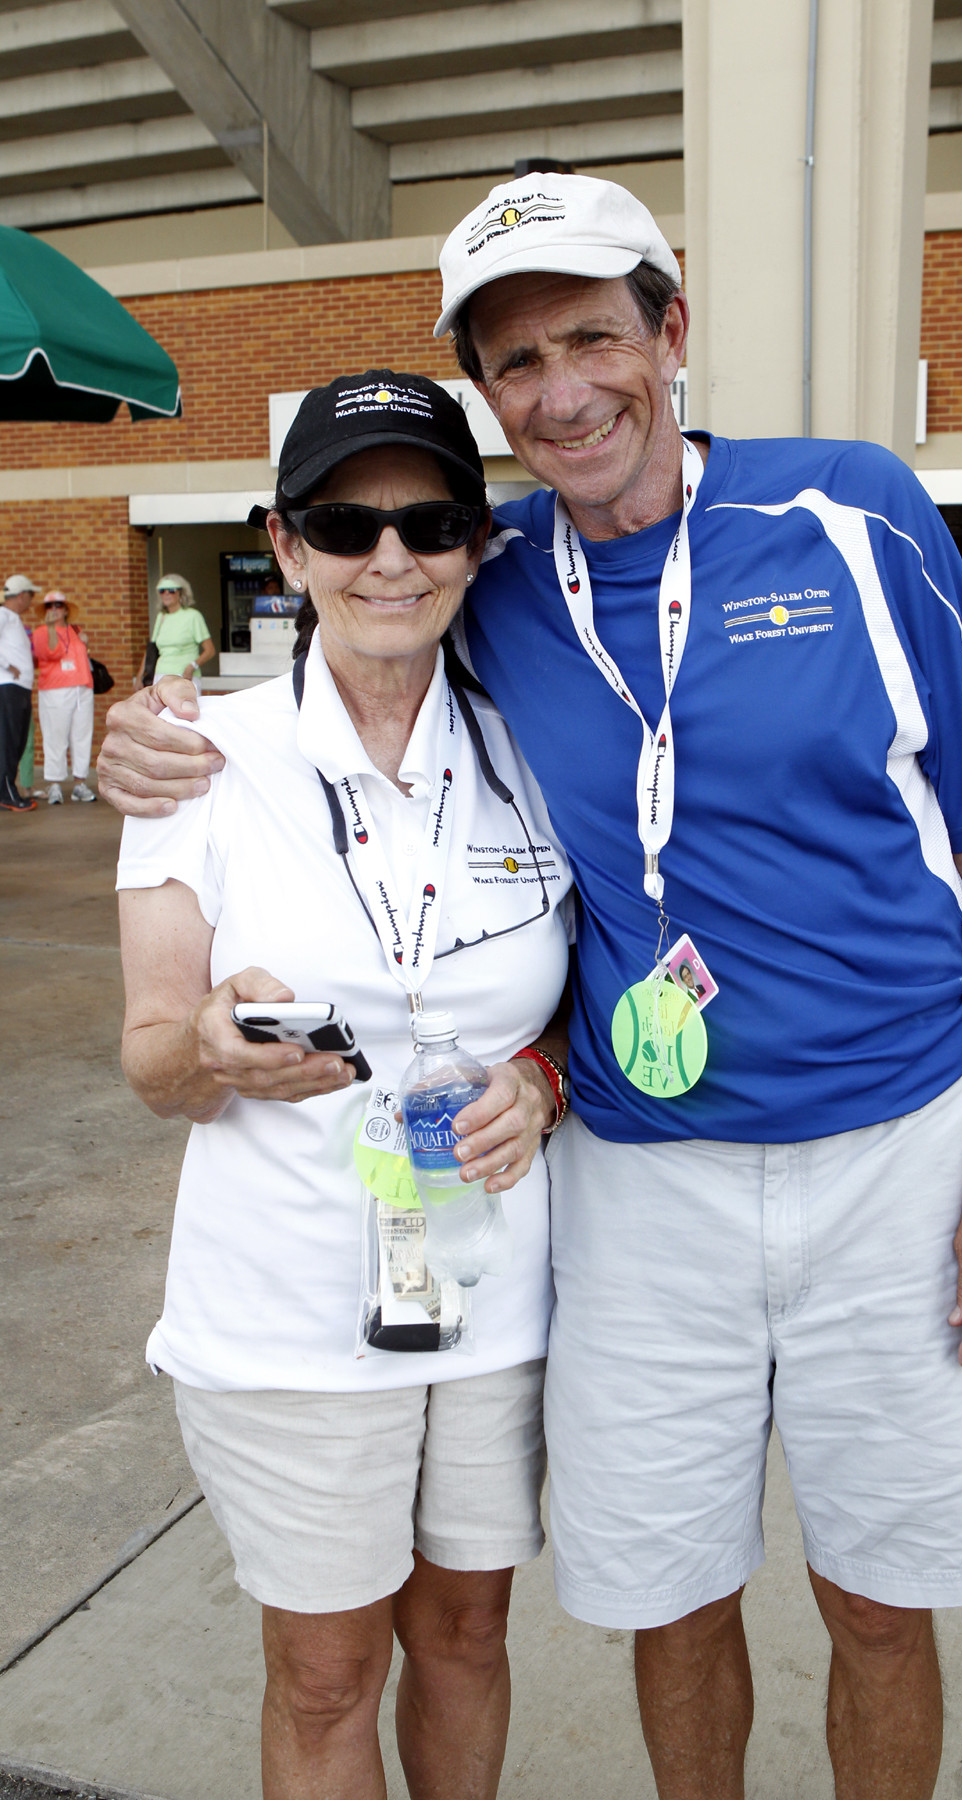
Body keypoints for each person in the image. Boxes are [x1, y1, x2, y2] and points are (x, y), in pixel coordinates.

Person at [98, 176, 962, 1800]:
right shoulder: (498, 575)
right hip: (639, 1183)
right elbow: (357, 635)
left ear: (671, 332)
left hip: (897, 1151)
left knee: (880, 1603)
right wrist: (153, 732)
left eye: (593, 337)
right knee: (667, 1600)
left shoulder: (852, 511)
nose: (562, 392)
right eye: (518, 361)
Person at [116, 372, 573, 1800]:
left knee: (466, 1633)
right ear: (288, 542)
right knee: (325, 1673)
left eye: (431, 520)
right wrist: (205, 1047)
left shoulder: (538, 753)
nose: (392, 557)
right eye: (347, 521)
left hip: (497, 1294)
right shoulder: (199, 758)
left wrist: (546, 1085)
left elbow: (601, 998)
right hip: (289, 1312)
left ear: (478, 545)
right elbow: (146, 1057)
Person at [31, 591, 96, 803]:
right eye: (50, 606)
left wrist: (84, 643)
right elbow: (51, 653)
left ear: (66, 609)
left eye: (58, 605)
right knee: (55, 737)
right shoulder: (41, 632)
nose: (54, 609)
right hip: (55, 690)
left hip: (81, 688)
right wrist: (51, 628)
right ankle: (55, 784)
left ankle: (80, 782)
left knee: (82, 735)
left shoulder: (76, 631)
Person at [133, 573, 215, 691]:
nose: (166, 593)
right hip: (160, 675)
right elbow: (151, 650)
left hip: (184, 676)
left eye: (171, 590)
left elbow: (210, 650)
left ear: (181, 593)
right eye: (162, 591)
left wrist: (192, 666)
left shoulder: (193, 616)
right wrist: (139, 676)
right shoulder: (161, 617)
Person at [0, 572, 38, 812]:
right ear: (21, 595)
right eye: (30, 596)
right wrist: (7, 665)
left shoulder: (12, 618)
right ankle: (6, 792)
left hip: (20, 688)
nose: (31, 602)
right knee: (9, 741)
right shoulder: (3, 614)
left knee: (18, 740)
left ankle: (7, 790)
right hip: (8, 687)